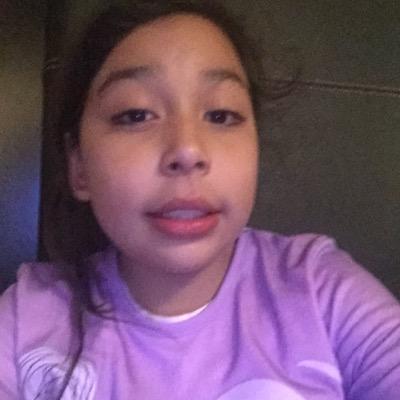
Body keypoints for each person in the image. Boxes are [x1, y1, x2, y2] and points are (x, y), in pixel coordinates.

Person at [1, 1, 399, 399]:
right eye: (136, 114)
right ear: (79, 167)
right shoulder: (27, 320)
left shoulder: (322, 290)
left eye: (221, 115)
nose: (188, 150)